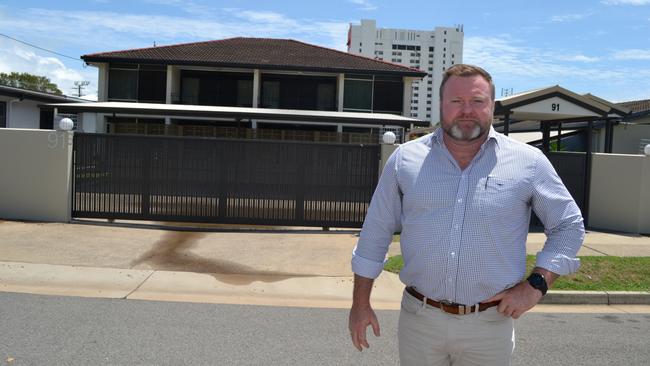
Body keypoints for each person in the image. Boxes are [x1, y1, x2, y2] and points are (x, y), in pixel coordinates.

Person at [348, 64, 584, 365]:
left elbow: (568, 225)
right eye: (456, 102)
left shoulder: (528, 162)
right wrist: (360, 304)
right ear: (441, 106)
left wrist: (536, 286)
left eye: (477, 101)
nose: (466, 110)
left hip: (489, 325)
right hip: (420, 320)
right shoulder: (405, 160)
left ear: (492, 106)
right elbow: (375, 233)